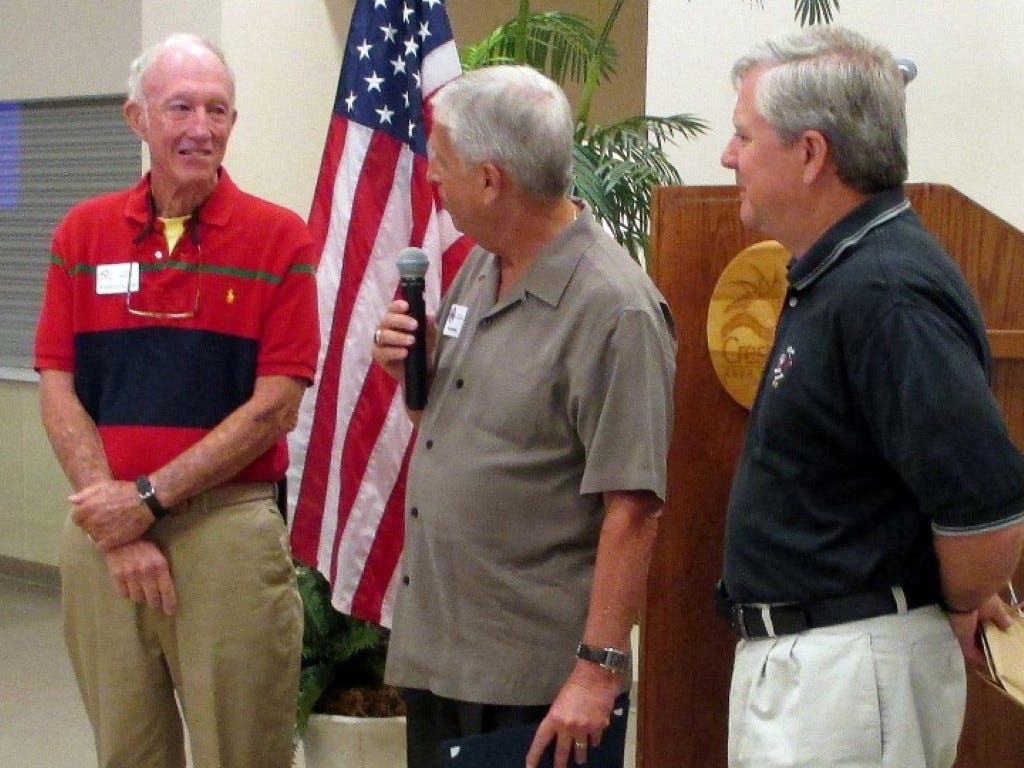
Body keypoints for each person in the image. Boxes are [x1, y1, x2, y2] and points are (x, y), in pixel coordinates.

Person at [716, 25, 1024, 768]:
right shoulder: (840, 272)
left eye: (744, 136)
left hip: (850, 677)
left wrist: (953, 602)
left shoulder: (885, 290)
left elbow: (984, 510)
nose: (728, 156)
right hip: (818, 671)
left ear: (811, 153)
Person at [371, 64, 676, 768]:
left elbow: (633, 509)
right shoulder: (483, 267)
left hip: (534, 684)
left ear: (489, 179)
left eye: (441, 164)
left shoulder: (615, 311)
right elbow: (470, 431)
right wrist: (408, 380)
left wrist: (597, 672)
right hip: (443, 653)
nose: (431, 180)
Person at [34, 33, 319, 768]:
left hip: (225, 531)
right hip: (102, 535)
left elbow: (276, 405)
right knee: (127, 752)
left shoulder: (278, 239)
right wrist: (118, 520)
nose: (201, 128)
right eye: (180, 107)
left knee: (243, 752)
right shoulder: (81, 233)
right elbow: (58, 382)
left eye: (218, 110)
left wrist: (149, 500)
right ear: (137, 118)